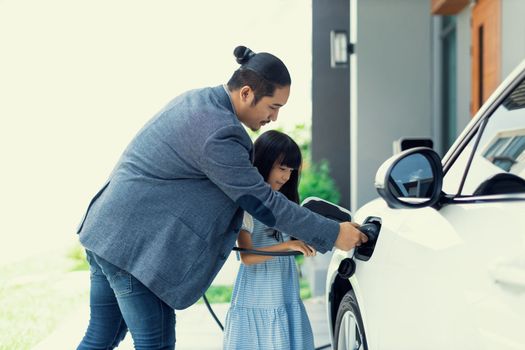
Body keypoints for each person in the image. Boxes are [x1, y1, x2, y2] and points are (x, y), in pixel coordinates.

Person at [76, 45, 368, 350]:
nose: (275, 116)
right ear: (246, 93)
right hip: (133, 249)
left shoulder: (200, 103)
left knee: (102, 336)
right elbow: (261, 201)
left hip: (106, 233)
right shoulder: (219, 131)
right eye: (272, 106)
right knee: (154, 343)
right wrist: (333, 233)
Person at [223, 130, 317, 350]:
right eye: (282, 168)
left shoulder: (282, 201)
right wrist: (288, 245)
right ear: (264, 162)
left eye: (291, 171)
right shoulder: (248, 204)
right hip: (259, 289)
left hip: (283, 286)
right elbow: (247, 257)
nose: (286, 176)